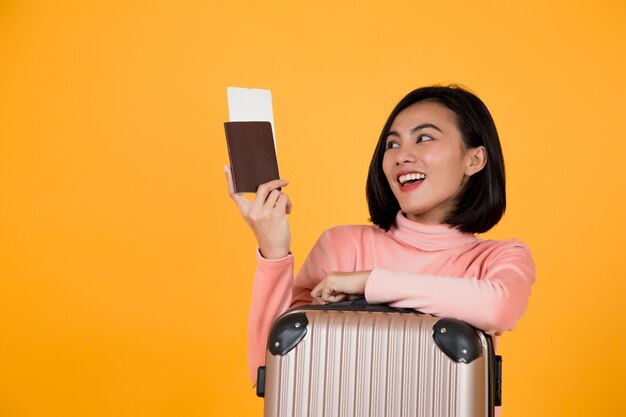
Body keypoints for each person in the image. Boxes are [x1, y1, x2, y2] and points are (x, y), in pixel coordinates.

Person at [225, 85, 536, 387]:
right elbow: (270, 371)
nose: (401, 156)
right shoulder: (342, 246)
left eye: (424, 138)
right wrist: (274, 252)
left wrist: (369, 282)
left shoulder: (500, 258)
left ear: (474, 160)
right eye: (392, 144)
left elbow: (498, 309)